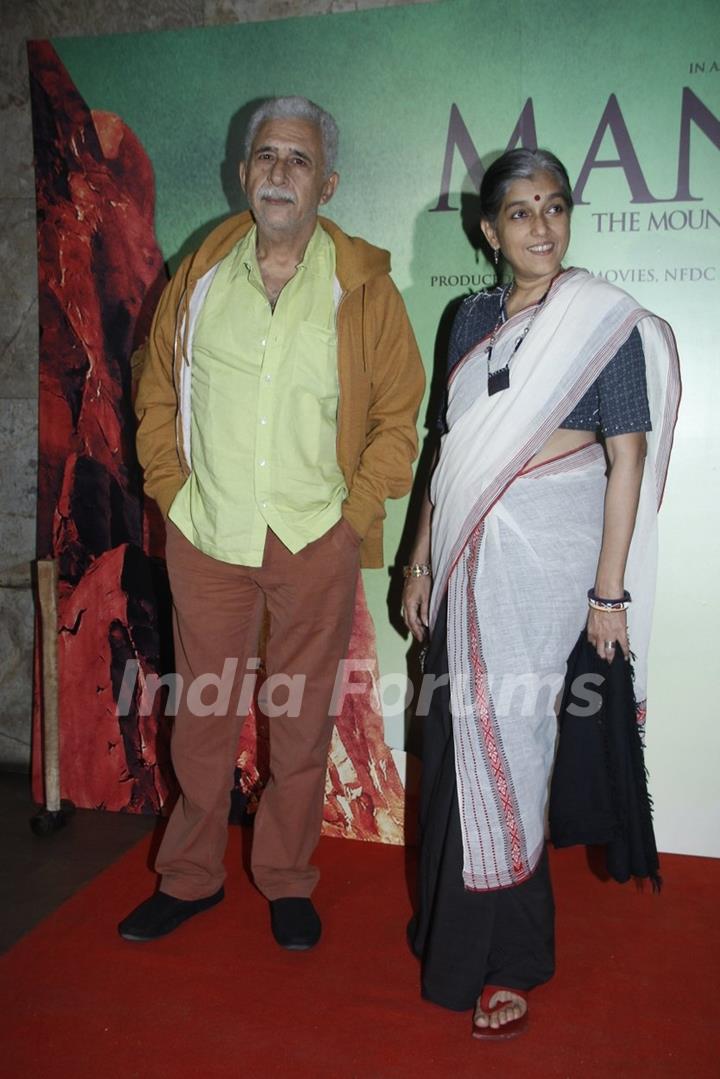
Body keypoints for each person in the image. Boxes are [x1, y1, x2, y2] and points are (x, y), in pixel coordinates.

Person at [119, 96, 424, 949]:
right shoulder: (201, 274)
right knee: (203, 720)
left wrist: (352, 516)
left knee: (298, 720)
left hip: (312, 539)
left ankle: (287, 879)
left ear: (326, 182)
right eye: (265, 156)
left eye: (297, 159)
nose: (278, 172)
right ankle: (190, 877)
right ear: (242, 173)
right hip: (207, 535)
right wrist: (173, 494)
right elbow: (155, 388)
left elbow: (400, 413)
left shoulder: (361, 288)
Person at [402, 148, 679, 1036]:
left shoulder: (602, 322)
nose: (541, 226)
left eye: (554, 207)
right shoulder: (467, 316)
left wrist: (610, 596)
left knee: (511, 749)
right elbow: (447, 449)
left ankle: (512, 956)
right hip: (459, 560)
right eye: (519, 212)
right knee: (452, 747)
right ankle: (452, 927)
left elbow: (625, 456)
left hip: (544, 571)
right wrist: (415, 558)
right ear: (489, 231)